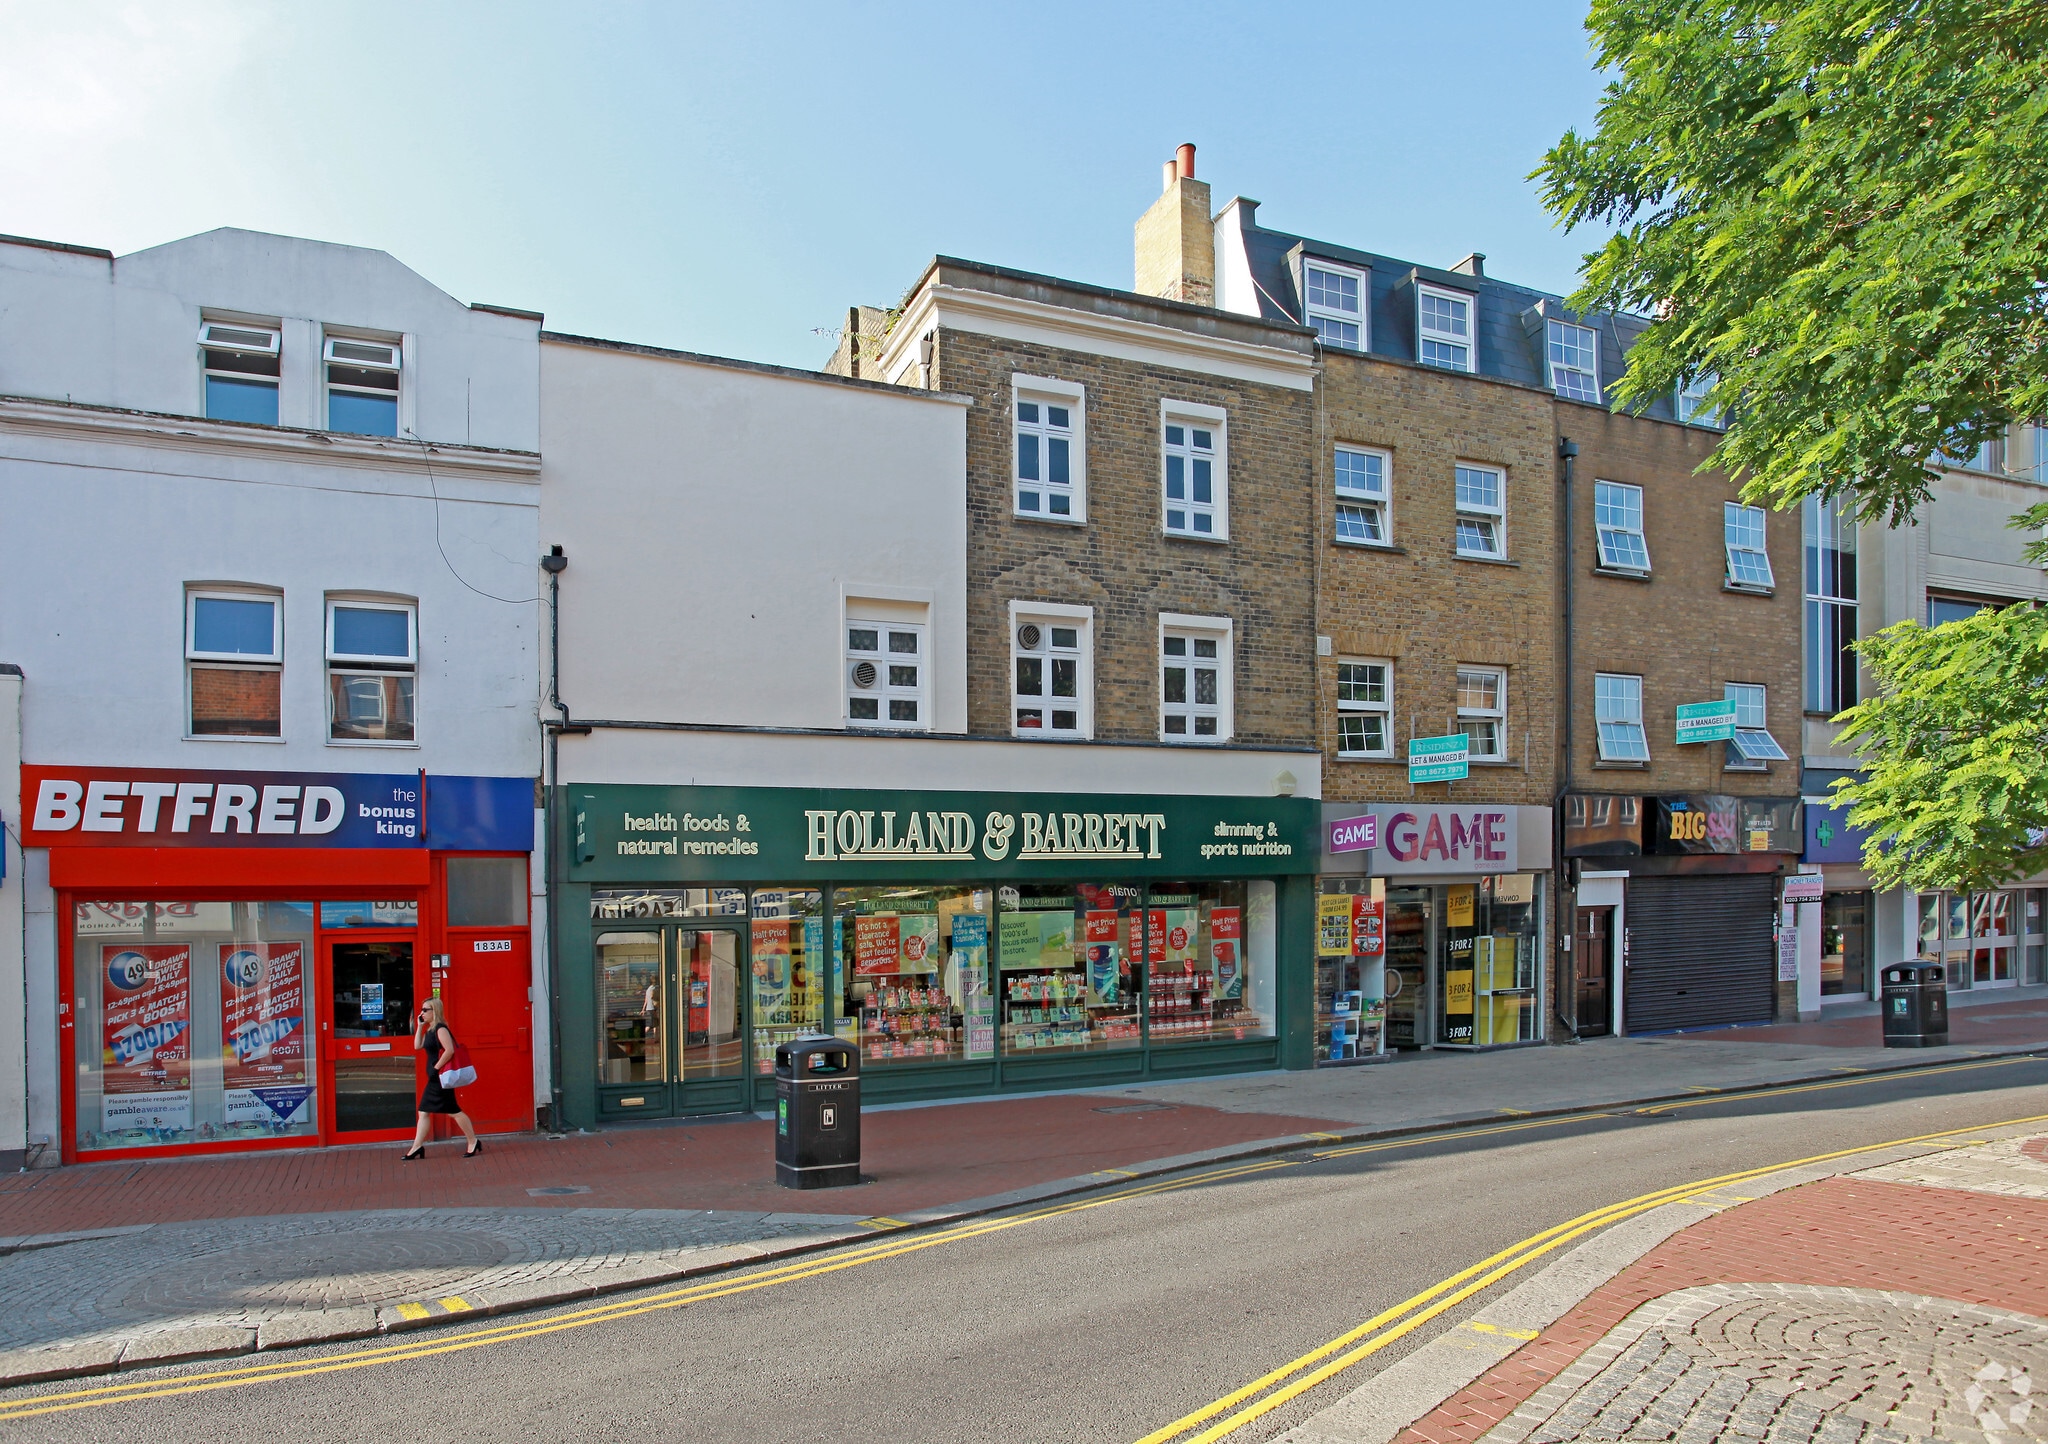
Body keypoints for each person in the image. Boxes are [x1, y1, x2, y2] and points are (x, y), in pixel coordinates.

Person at [402, 997, 480, 1159]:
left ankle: (473, 1141)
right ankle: (416, 1147)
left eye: (425, 1010)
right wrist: (420, 1026)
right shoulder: (430, 1029)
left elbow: (449, 1050)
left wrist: (435, 1068)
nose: (422, 1013)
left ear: (434, 1011)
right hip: (434, 1077)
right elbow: (417, 1046)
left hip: (440, 1077)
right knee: (424, 1111)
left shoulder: (440, 1029)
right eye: (422, 1010)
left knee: (453, 1111)